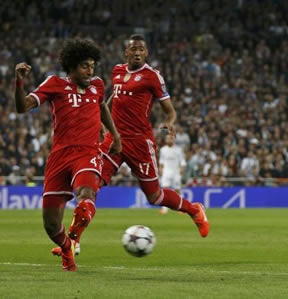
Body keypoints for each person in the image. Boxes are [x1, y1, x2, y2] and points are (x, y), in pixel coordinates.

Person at [14, 39, 122, 271]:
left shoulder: (98, 86)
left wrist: (115, 134)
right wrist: (19, 82)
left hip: (88, 152)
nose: (90, 71)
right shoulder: (55, 84)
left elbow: (102, 106)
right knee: (51, 225)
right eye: (85, 66)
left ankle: (74, 237)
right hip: (60, 156)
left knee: (86, 195)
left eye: (92, 66)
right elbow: (23, 107)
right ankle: (66, 248)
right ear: (71, 66)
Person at [100, 34, 209, 237]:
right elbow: (112, 99)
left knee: (154, 196)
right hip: (114, 139)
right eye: (134, 49)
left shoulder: (152, 76)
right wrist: (101, 121)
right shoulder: (116, 71)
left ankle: (194, 210)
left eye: (142, 49)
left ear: (146, 53)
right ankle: (71, 242)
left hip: (139, 142)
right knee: (92, 183)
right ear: (126, 52)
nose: (138, 53)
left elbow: (170, 111)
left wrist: (168, 122)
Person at [158, 133, 187, 215]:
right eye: (167, 138)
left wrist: (182, 169)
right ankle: (164, 208)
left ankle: (182, 208)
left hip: (176, 172)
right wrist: (160, 169)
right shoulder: (163, 149)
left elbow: (182, 161)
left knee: (177, 190)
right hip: (166, 172)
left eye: (170, 138)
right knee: (165, 190)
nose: (169, 140)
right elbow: (161, 161)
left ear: (173, 140)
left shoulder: (178, 149)